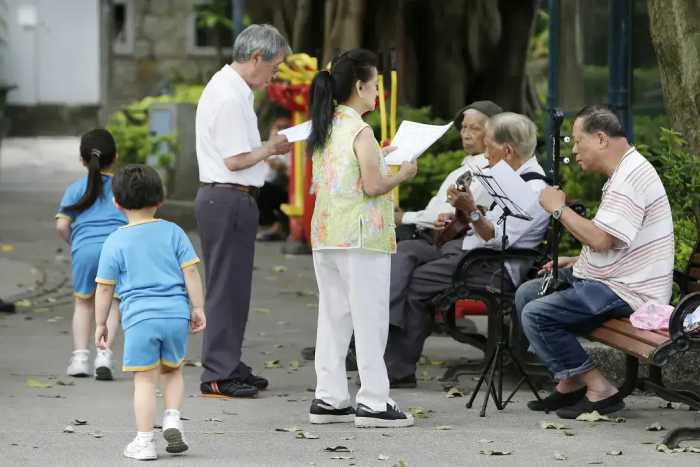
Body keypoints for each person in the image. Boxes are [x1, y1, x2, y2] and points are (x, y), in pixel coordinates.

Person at [515, 105, 674, 419]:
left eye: (577, 141)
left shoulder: (630, 177)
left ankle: (600, 388)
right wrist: (577, 259)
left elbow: (601, 239)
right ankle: (569, 380)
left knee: (537, 314)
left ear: (601, 138)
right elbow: (615, 241)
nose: (574, 151)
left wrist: (558, 209)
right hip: (613, 279)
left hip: (629, 291)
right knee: (527, 294)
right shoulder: (626, 170)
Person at [384, 112, 551, 387]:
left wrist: (470, 209)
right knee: (405, 253)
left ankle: (396, 368)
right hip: (465, 249)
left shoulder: (531, 187)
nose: (485, 156)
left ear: (507, 150)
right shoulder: (510, 175)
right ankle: (386, 321)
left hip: (488, 265)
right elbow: (489, 225)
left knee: (416, 285)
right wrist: (465, 212)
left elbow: (496, 238)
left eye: (489, 148)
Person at [306, 48, 417, 428]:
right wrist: (402, 173)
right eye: (374, 86)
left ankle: (330, 397)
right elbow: (372, 184)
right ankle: (373, 400)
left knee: (333, 316)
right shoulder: (360, 129)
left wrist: (379, 158)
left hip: (326, 232)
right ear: (359, 85)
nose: (377, 94)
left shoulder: (325, 123)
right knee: (370, 317)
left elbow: (343, 174)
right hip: (361, 235)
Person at [194, 24, 292, 398]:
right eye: (275, 66)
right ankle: (218, 371)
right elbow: (235, 160)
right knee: (225, 289)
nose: (275, 74)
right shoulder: (230, 96)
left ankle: (228, 361)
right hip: (227, 195)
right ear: (256, 58)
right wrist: (271, 149)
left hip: (230, 198)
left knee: (234, 288)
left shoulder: (231, 89)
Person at [94, 164, 206, 460]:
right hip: (175, 315)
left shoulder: (115, 240)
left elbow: (105, 288)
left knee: (144, 380)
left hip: (140, 319)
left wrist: (101, 323)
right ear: (161, 199)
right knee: (173, 371)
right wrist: (197, 307)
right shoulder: (174, 232)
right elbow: (191, 272)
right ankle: (172, 418)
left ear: (117, 202)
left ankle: (144, 442)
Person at [55, 128, 126, 380]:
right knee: (114, 303)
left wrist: (75, 243)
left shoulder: (75, 189)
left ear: (82, 160)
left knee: (83, 304)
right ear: (115, 156)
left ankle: (80, 359)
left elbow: (62, 225)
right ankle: (104, 356)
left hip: (84, 250)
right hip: (116, 251)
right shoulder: (122, 188)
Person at [394, 101, 502, 240]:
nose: (466, 135)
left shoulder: (487, 173)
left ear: (493, 134)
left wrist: (403, 217)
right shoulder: (461, 170)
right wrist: (405, 216)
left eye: (474, 129)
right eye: (463, 127)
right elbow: (436, 212)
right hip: (422, 235)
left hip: (442, 243)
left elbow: (448, 217)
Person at [257, 113, 292, 241]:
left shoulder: (296, 150)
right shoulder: (262, 145)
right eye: (278, 127)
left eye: (285, 127)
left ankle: (275, 225)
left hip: (283, 189)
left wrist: (282, 168)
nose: (280, 130)